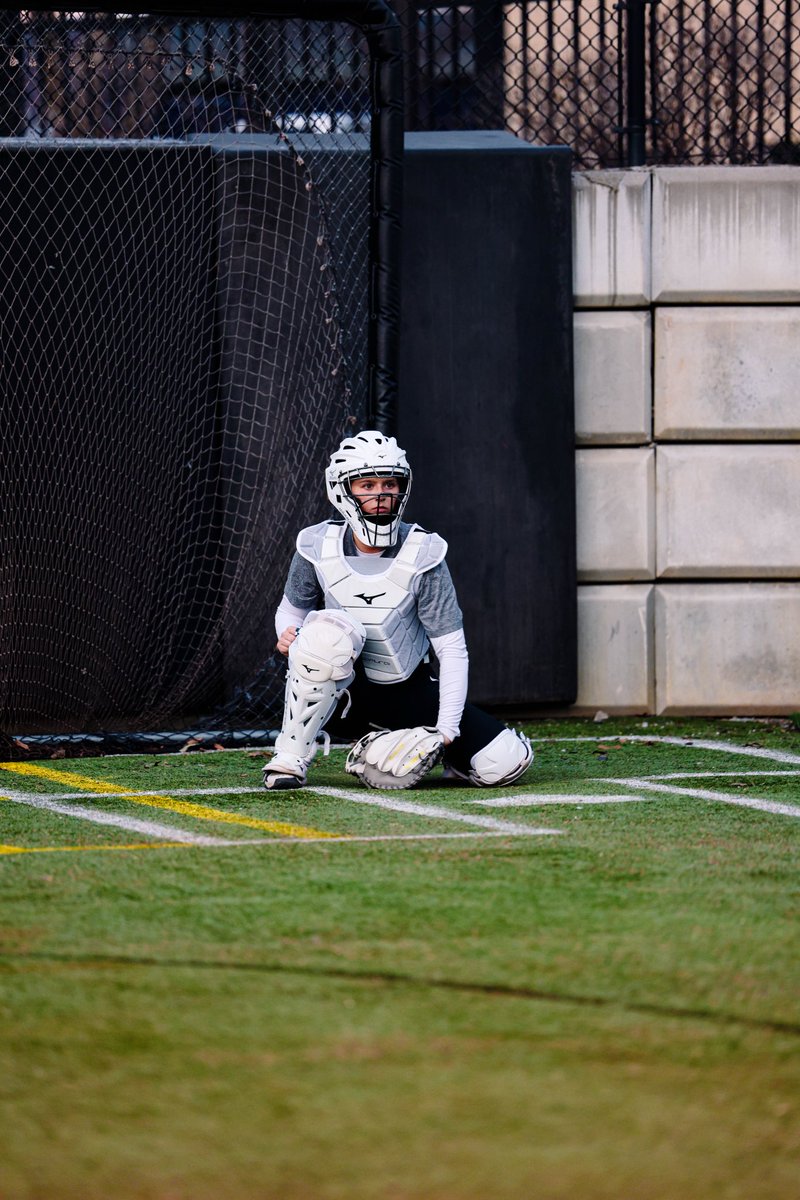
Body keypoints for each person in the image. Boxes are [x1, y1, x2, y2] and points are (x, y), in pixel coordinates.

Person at [263, 429, 533, 790]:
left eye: (389, 484)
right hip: (342, 697)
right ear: (342, 489)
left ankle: (388, 749)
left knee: (505, 762)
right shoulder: (316, 545)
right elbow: (290, 612)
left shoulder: (424, 553)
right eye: (367, 485)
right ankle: (290, 757)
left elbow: (452, 651)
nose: (380, 495)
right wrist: (288, 635)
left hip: (408, 691)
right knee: (327, 635)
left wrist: (447, 730)